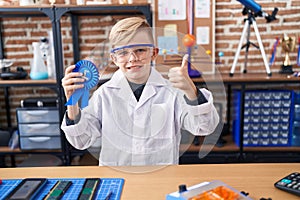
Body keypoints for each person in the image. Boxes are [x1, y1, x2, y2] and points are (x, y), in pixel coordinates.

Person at [61, 17, 219, 166]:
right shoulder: (104, 94)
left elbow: (204, 127)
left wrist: (191, 92)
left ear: (154, 53)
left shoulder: (172, 93)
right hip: (116, 180)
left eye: (140, 50)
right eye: (123, 52)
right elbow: (81, 141)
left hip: (160, 178)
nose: (132, 58)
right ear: (114, 58)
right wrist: (72, 103)